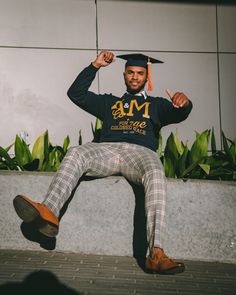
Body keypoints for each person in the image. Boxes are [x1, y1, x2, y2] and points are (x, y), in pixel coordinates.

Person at [13, 51, 193, 275]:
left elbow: (181, 112)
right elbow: (75, 94)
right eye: (130, 73)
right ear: (124, 75)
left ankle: (156, 253)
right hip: (106, 150)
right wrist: (94, 66)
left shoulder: (157, 106)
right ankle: (48, 213)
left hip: (140, 153)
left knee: (155, 172)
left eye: (140, 73)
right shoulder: (109, 102)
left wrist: (183, 102)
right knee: (76, 152)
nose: (135, 77)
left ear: (147, 77)